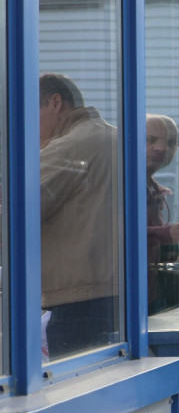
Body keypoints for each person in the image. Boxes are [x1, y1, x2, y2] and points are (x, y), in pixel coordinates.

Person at [40, 73, 119, 359]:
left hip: (78, 301)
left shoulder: (67, 148)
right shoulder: (117, 138)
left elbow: (20, 215)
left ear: (55, 103)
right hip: (120, 294)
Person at [145, 114, 179, 314]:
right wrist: (166, 234)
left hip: (149, 297)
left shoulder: (152, 189)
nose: (162, 148)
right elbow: (112, 235)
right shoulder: (119, 185)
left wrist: (174, 249)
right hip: (128, 303)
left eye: (170, 143)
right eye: (150, 140)